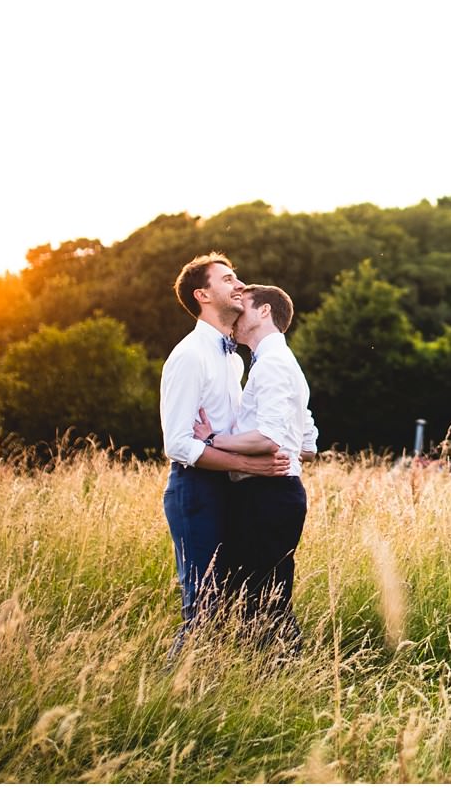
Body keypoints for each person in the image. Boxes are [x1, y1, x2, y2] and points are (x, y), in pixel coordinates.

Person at [159, 253, 288, 652]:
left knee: (234, 600)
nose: (239, 285)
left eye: (237, 278)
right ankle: (174, 684)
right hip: (195, 489)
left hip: (230, 489)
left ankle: (218, 683)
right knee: (204, 607)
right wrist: (248, 464)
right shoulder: (189, 355)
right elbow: (178, 444)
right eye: (228, 279)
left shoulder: (232, 359)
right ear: (202, 295)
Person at [194, 283, 315, 650]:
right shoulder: (278, 361)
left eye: (241, 307)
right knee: (264, 594)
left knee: (261, 600)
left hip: (267, 495)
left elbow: (270, 438)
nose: (234, 314)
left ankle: (280, 671)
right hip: (276, 493)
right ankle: (278, 670)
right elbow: (308, 444)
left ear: (264, 311)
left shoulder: (273, 364)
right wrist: (283, 452)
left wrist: (213, 439)